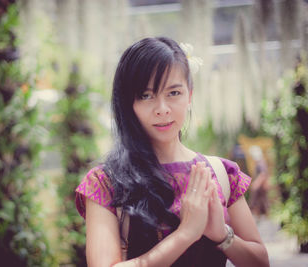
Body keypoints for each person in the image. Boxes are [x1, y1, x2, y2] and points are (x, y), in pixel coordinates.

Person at [75, 37, 269, 266]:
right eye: (146, 96)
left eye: (173, 93)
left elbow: (261, 262)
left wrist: (221, 234)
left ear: (190, 94)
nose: (162, 109)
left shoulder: (222, 174)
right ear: (128, 103)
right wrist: (185, 234)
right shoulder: (105, 183)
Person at [248, 146, 270, 217]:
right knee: (262, 202)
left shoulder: (260, 163)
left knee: (258, 202)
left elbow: (263, 174)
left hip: (261, 187)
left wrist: (256, 183)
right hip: (261, 188)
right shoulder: (261, 162)